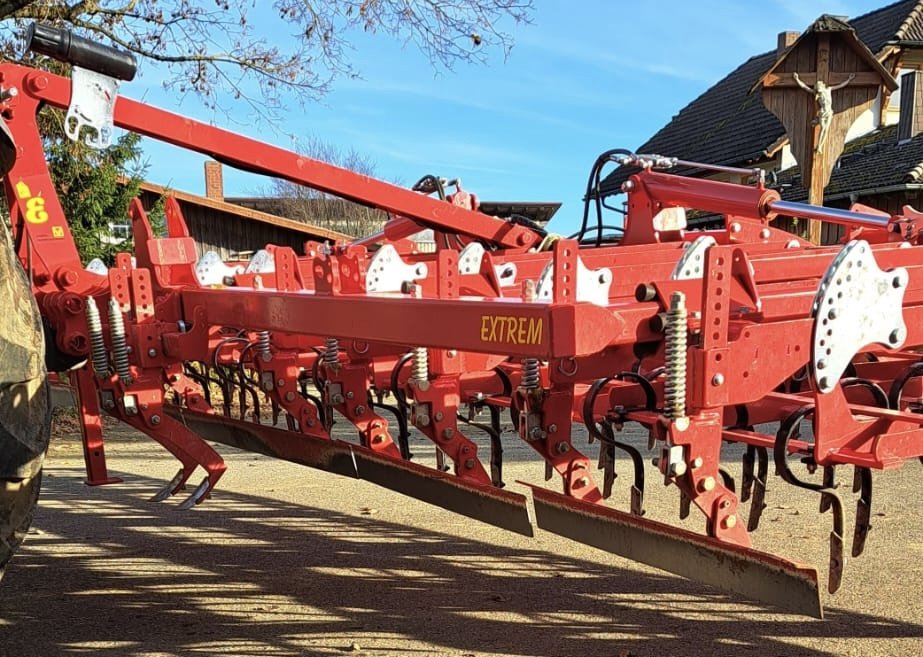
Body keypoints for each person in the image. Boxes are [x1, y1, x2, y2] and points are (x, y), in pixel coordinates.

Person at [792, 72, 855, 152]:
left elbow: (841, 85)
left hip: (829, 112)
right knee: (823, 128)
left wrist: (849, 79)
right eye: (817, 89)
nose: (818, 90)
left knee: (826, 129)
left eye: (819, 88)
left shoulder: (829, 89)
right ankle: (819, 146)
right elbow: (805, 87)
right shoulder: (817, 94)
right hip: (822, 112)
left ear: (822, 86)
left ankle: (820, 146)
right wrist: (797, 79)